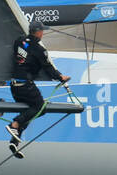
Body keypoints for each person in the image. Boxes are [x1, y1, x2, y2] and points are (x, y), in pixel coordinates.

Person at [5, 23, 69, 157]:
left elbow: (22, 51)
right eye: (42, 31)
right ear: (39, 32)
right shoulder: (39, 49)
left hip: (14, 85)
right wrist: (60, 76)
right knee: (40, 108)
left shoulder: (19, 41)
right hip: (25, 85)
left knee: (28, 111)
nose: (43, 33)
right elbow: (48, 68)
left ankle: (14, 142)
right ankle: (14, 124)